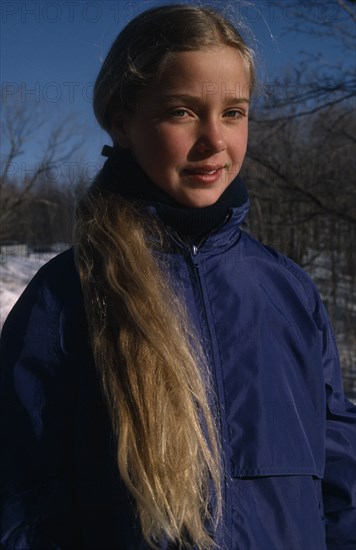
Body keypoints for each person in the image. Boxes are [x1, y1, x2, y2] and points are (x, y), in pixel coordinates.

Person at [0, 4, 355, 549]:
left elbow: (340, 477)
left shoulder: (288, 291)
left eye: (233, 112)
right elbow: (21, 503)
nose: (215, 139)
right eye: (183, 112)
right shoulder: (66, 298)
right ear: (122, 121)